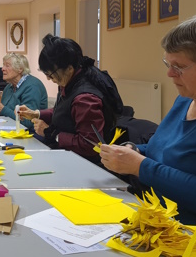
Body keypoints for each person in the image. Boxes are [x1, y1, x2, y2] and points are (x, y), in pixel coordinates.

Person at [100, 13, 196, 252]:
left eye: (179, 67)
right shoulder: (187, 99)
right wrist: (134, 151)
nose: (170, 74)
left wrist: (140, 166)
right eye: (168, 64)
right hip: (159, 221)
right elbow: (164, 151)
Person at [18, 34, 123, 164]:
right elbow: (64, 112)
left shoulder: (85, 98)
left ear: (69, 69)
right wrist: (37, 114)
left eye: (50, 74)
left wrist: (50, 132)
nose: (48, 79)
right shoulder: (70, 81)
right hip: (67, 153)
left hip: (83, 162)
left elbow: (90, 145)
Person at [0, 53, 48, 130]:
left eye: (7, 65)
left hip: (29, 134)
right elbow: (6, 113)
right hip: (10, 129)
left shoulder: (32, 86)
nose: (2, 69)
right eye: (3, 65)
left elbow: (28, 122)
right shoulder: (8, 87)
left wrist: (2, 109)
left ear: (20, 69)